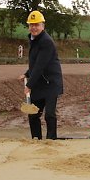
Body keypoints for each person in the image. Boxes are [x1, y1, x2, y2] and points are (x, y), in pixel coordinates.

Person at [20, 10, 63, 140]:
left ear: (42, 26)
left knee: (49, 114)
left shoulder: (46, 41)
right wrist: (26, 74)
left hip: (50, 83)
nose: (33, 27)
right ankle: (36, 140)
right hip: (39, 83)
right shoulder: (33, 39)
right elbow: (35, 62)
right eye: (31, 25)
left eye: (36, 24)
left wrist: (29, 85)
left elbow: (40, 65)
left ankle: (51, 141)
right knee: (33, 114)